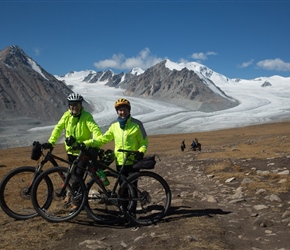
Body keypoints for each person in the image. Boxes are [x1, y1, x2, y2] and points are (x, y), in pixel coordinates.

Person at [44, 93, 102, 206]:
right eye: (71, 105)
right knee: (70, 176)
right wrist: (51, 142)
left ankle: (77, 203)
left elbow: (96, 131)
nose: (73, 107)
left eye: (76, 104)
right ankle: (72, 196)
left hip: (82, 153)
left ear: (80, 105)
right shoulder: (66, 116)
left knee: (77, 178)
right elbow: (58, 128)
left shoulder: (87, 116)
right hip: (70, 152)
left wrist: (88, 143)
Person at [96, 98, 148, 176]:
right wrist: (89, 143)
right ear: (117, 112)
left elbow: (144, 142)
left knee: (132, 186)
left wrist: (141, 152)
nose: (122, 112)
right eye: (120, 110)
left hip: (133, 161)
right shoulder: (114, 126)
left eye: (125, 110)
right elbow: (104, 139)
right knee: (122, 186)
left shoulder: (137, 124)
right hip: (120, 162)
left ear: (129, 110)